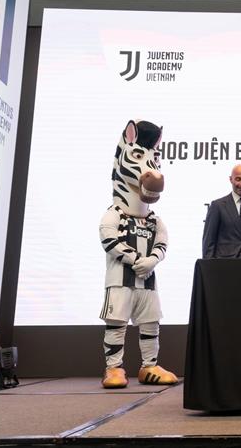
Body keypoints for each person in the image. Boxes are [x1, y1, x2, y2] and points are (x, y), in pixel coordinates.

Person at [98, 119, 178, 389]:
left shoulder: (154, 219)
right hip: (120, 280)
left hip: (148, 282)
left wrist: (152, 260)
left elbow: (162, 243)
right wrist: (136, 260)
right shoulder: (115, 213)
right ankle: (114, 367)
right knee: (116, 323)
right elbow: (109, 239)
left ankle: (149, 365)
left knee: (151, 323)